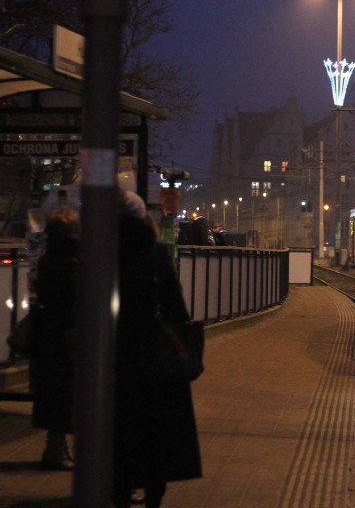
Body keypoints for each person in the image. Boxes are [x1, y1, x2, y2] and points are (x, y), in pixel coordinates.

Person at [113, 190, 202, 507]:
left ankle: (119, 489)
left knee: (118, 424)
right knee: (155, 426)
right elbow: (175, 308)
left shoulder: (100, 250)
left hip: (112, 354)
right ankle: (153, 490)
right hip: (154, 355)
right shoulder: (155, 252)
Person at [31, 207, 79, 470]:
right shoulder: (73, 260)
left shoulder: (48, 258)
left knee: (55, 392)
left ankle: (55, 447)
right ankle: (56, 450)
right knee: (66, 392)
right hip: (69, 334)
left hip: (50, 334)